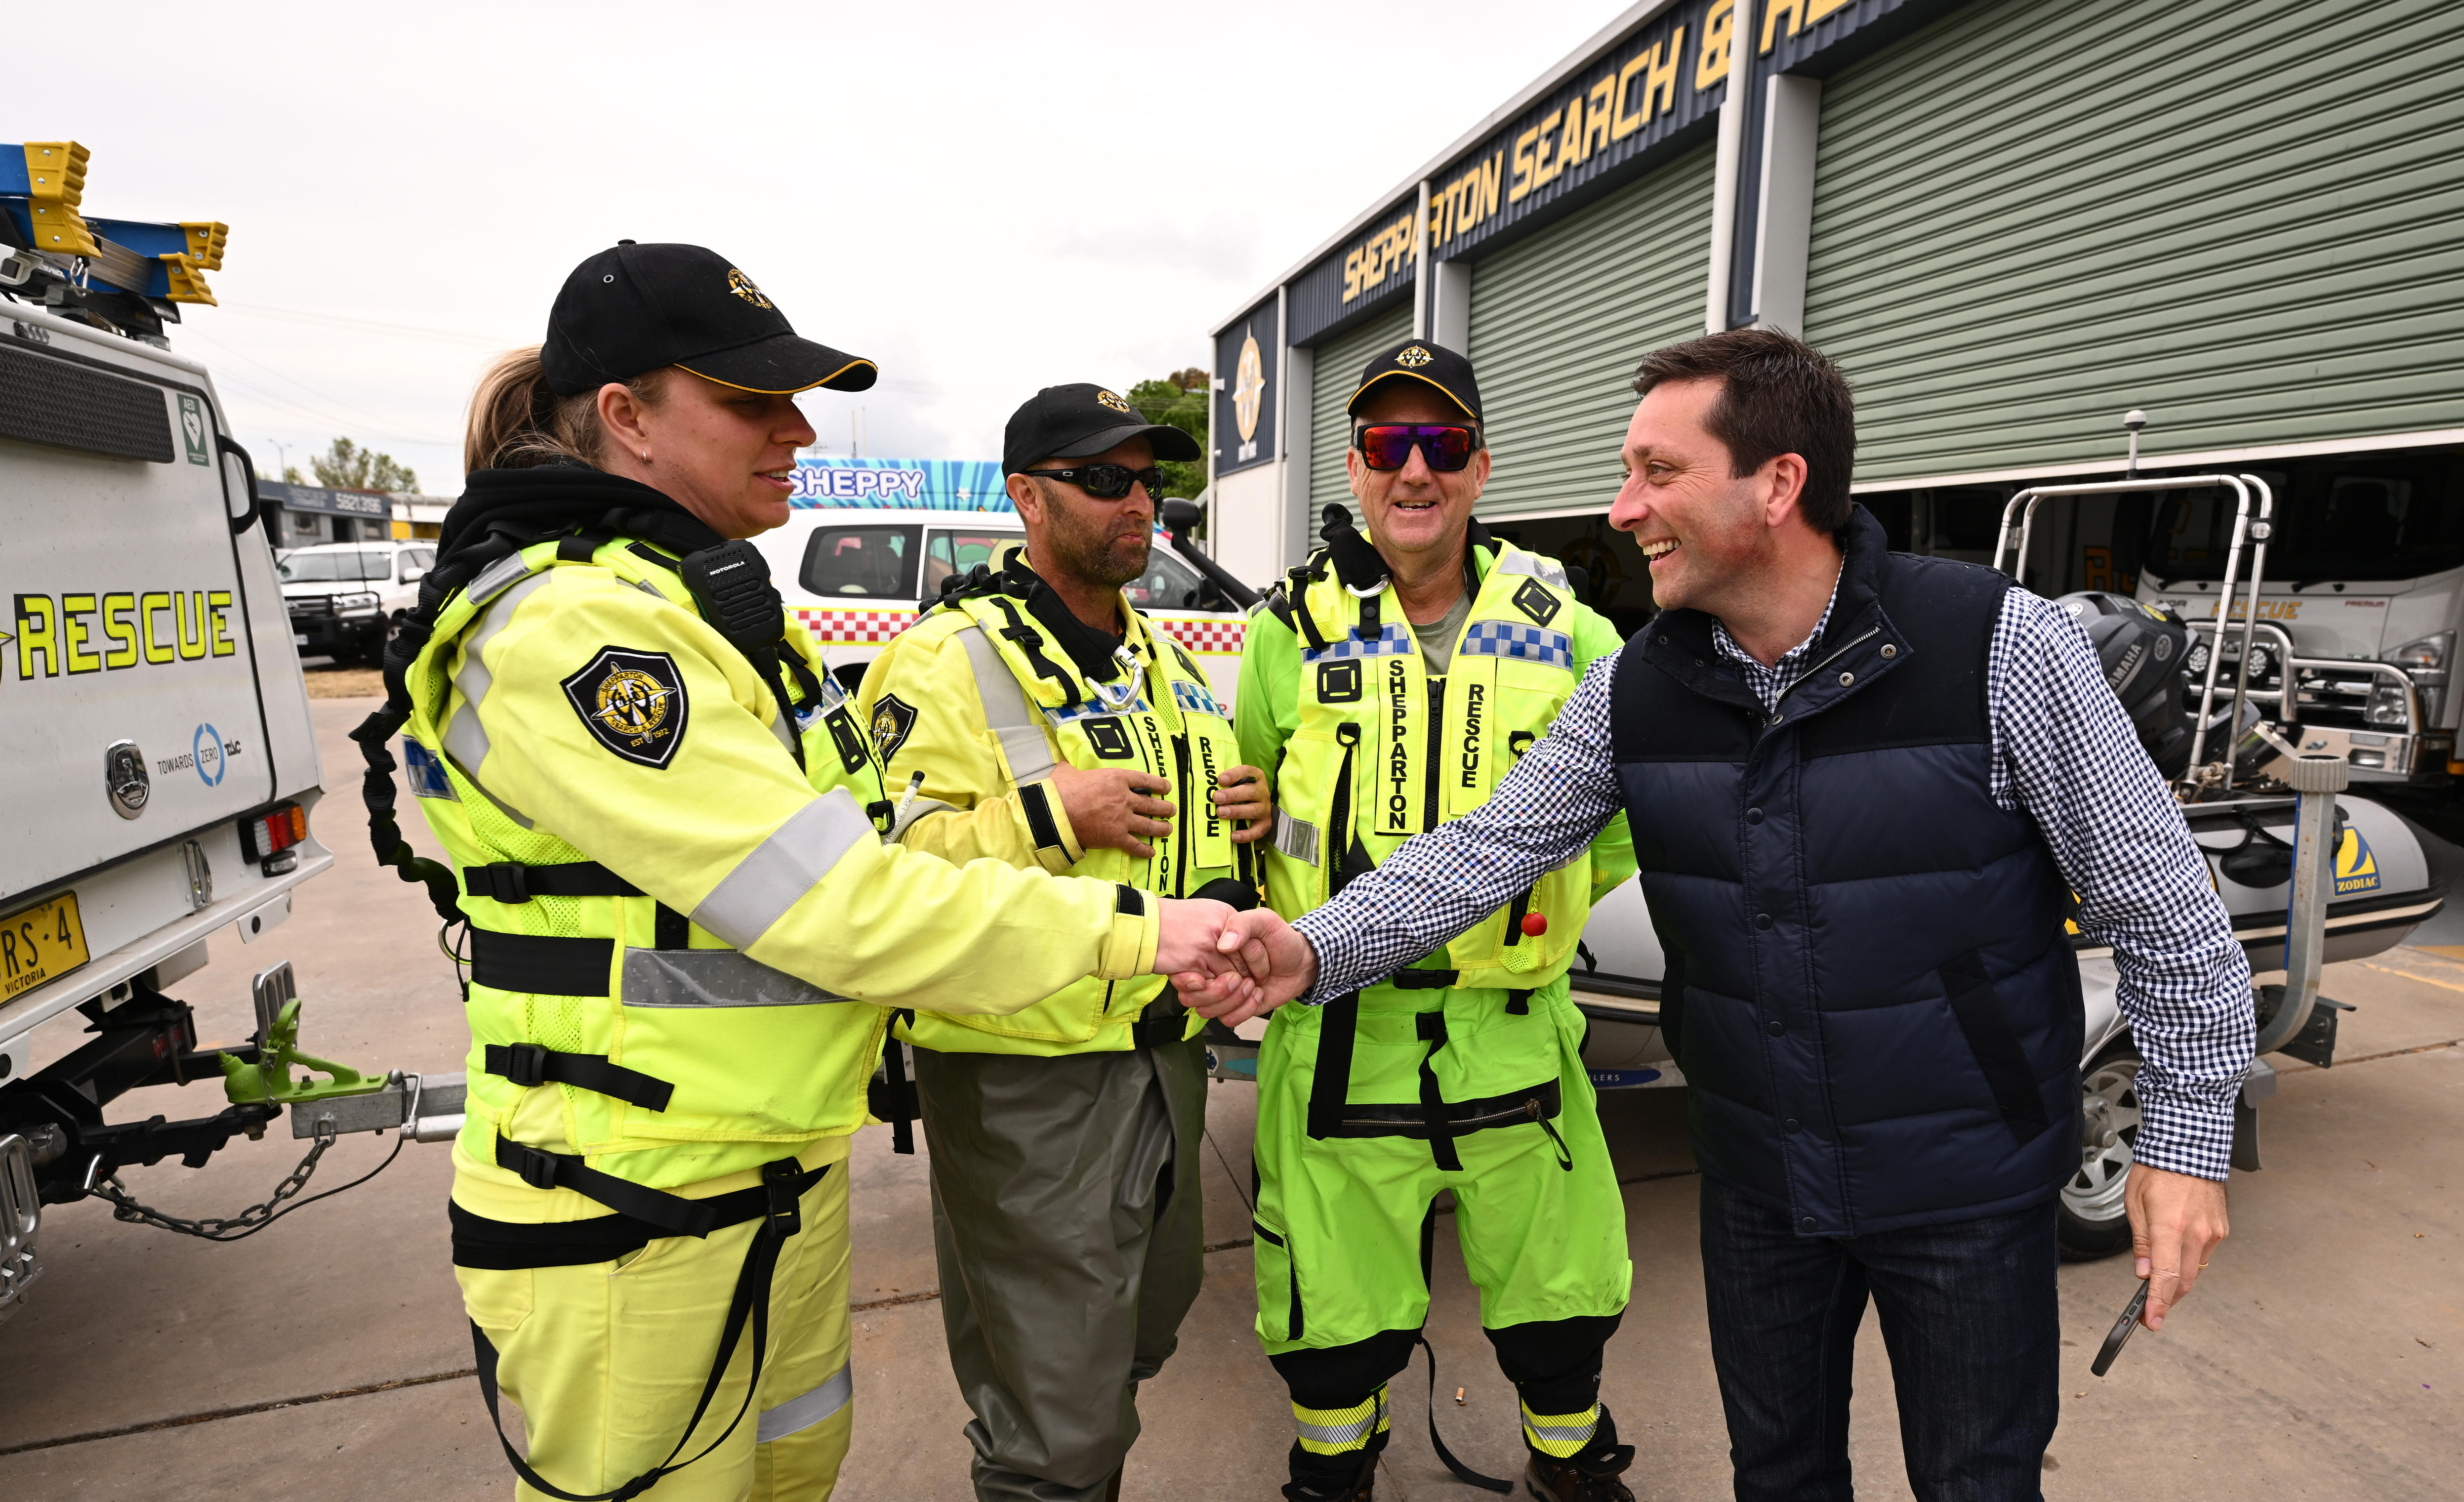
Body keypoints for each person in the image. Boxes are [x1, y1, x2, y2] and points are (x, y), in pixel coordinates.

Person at [1200, 327, 2256, 1502]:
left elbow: (2165, 907)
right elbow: (1485, 850)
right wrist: (1306, 947)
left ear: (1778, 483)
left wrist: (2184, 1139)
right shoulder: (1638, 683)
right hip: (1759, 1176)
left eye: (1656, 472)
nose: (1619, 508)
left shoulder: (1997, 646)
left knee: (1976, 1479)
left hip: (1960, 1176)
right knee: (1780, 1474)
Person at [354, 242, 1251, 1502]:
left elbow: (863, 849)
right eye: (749, 401)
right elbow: (841, 900)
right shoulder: (578, 628)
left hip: (764, 1169)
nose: (798, 428)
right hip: (630, 1198)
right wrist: (1139, 931)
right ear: (627, 419)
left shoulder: (700, 605)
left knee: (792, 1475)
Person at [1232, 339, 1638, 1502]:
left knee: (1561, 1285)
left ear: (1480, 467)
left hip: (1513, 1024)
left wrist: (1528, 918)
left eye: (1441, 445)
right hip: (1337, 1034)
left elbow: (1618, 826)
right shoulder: (1285, 629)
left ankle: (1568, 1458)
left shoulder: (1568, 626)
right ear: (1355, 469)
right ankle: (1333, 1461)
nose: (1415, 472)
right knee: (1328, 1301)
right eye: (1387, 446)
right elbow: (1248, 801)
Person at [852, 382, 1273, 1502]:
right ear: (1026, 497)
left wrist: (1250, 834)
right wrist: (1048, 813)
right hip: (1019, 1075)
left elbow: (1195, 845)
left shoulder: (1165, 662)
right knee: (1057, 1411)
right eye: (1103, 479)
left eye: (1148, 480)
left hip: (1163, 1053)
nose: (1137, 501)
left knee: (1148, 1316)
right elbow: (882, 876)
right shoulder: (945, 659)